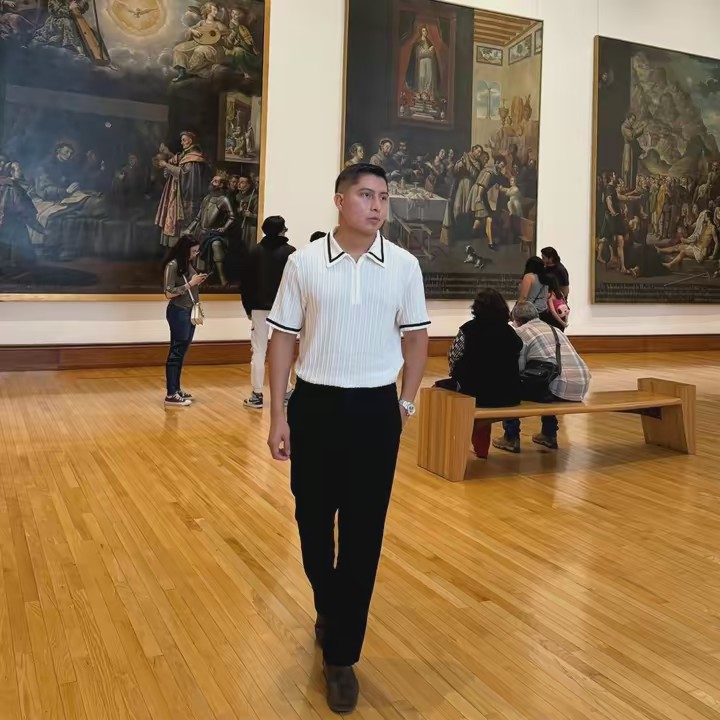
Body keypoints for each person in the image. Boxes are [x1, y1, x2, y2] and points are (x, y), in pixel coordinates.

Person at [266, 163, 429, 714]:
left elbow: (416, 339)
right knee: (312, 524)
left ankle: (341, 657)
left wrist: (405, 402)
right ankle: (328, 604)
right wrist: (278, 414)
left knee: (363, 534)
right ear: (340, 200)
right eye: (365, 195)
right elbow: (282, 341)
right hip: (315, 405)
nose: (377, 205)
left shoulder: (404, 266)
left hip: (375, 411)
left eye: (383, 197)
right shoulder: (304, 263)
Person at [494, 302, 590, 453]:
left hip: (556, 387)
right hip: (581, 385)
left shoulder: (521, 332)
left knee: (510, 387)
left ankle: (511, 437)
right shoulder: (555, 329)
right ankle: (548, 434)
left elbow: (517, 369)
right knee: (547, 383)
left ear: (516, 319)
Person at [444, 289, 522, 459]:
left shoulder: (468, 329)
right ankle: (482, 449)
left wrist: (456, 375)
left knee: (442, 392)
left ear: (476, 308)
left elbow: (453, 356)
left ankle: (457, 448)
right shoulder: (510, 333)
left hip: (476, 393)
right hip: (509, 394)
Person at [241, 216, 296, 409]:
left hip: (258, 308)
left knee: (258, 351)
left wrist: (248, 307)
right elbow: (295, 284)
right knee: (284, 352)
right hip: (284, 309)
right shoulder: (291, 253)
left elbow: (246, 284)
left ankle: (257, 394)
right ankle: (286, 392)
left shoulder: (254, 251)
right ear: (281, 230)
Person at [162, 234, 208, 407]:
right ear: (185, 250)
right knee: (176, 352)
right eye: (193, 251)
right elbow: (168, 293)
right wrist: (190, 284)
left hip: (189, 311)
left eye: (197, 251)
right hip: (178, 312)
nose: (196, 254)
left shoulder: (186, 264)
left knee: (181, 352)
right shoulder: (173, 265)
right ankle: (171, 394)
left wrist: (196, 281)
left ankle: (176, 389)